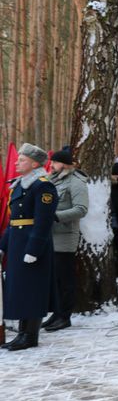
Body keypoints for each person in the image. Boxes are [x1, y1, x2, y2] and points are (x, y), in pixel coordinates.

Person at [0, 144, 58, 351]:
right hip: (17, 244)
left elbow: (43, 222)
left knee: (33, 290)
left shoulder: (43, 187)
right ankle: (22, 333)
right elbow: (13, 222)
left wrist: (34, 250)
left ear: (34, 164)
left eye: (21, 160)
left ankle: (31, 336)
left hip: (33, 246)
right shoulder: (18, 185)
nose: (16, 162)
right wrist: (3, 246)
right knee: (20, 289)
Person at [42, 146, 89, 332]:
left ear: (64, 164)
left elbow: (81, 209)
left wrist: (56, 216)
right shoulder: (50, 180)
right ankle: (56, 313)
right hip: (50, 235)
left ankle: (65, 316)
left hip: (65, 236)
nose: (51, 165)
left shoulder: (76, 182)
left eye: (55, 162)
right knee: (54, 279)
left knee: (64, 279)